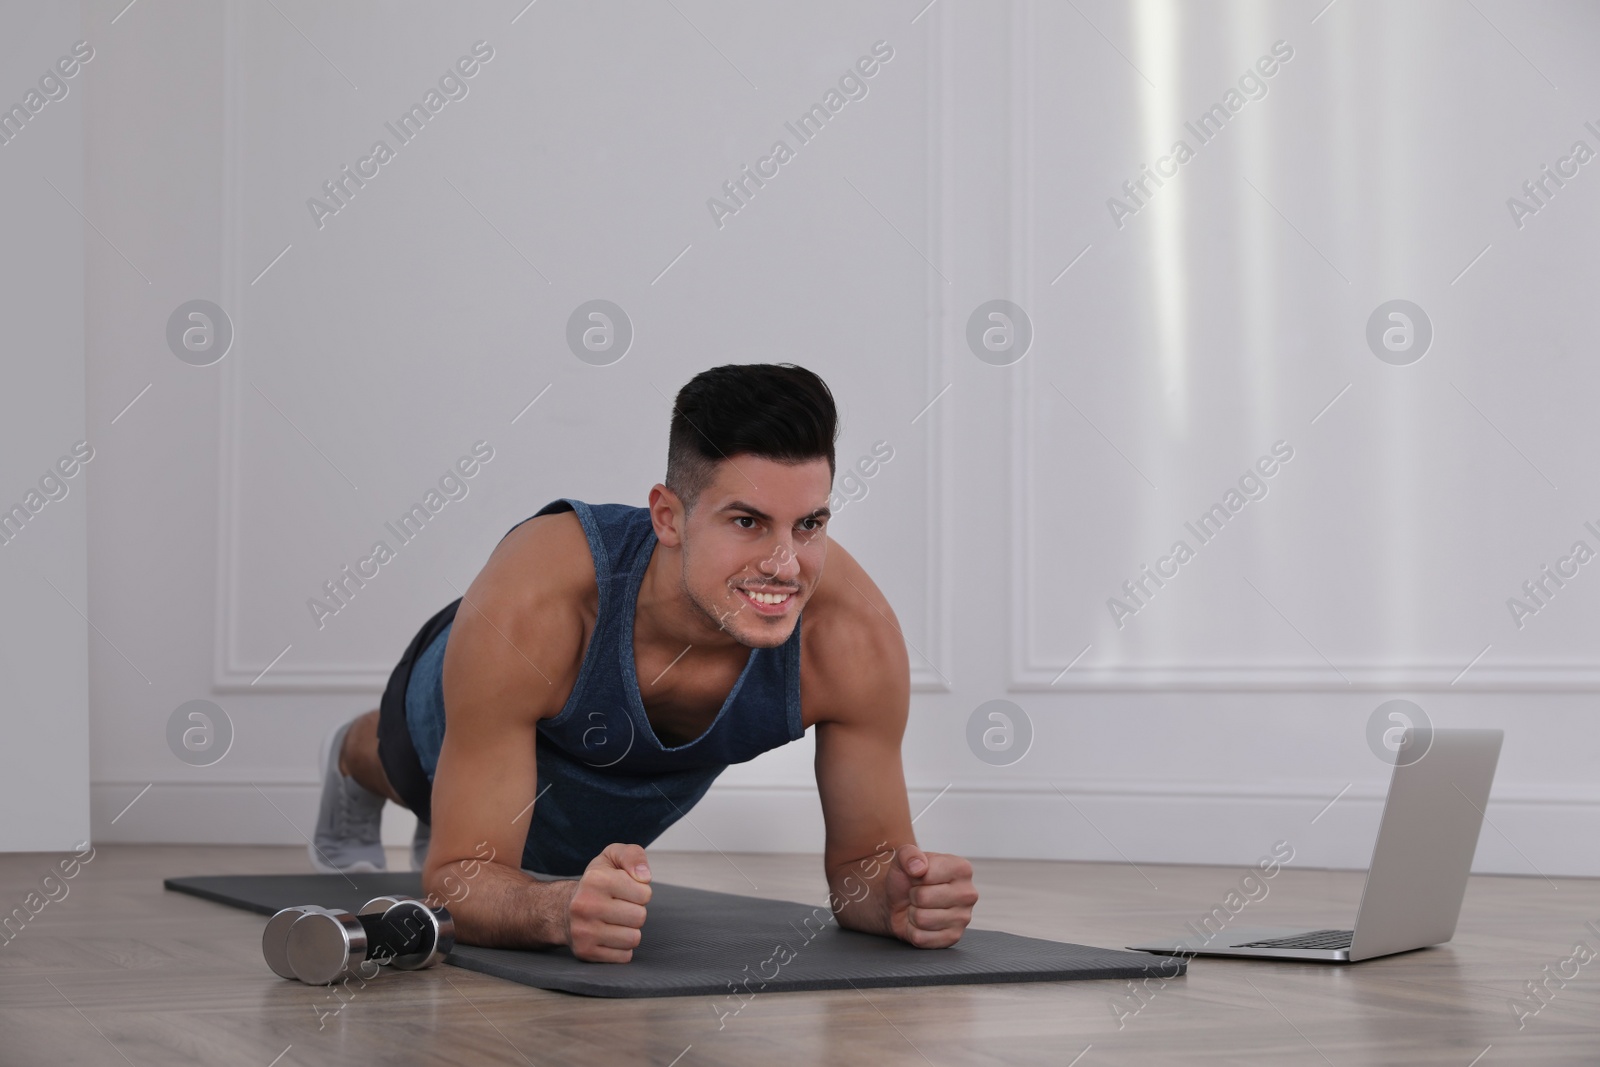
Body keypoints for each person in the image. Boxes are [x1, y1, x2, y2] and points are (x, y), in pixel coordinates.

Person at [310, 362, 978, 961]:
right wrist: (549, 911)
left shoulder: (852, 638)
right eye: (747, 521)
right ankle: (353, 756)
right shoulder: (536, 603)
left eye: (809, 524)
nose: (785, 564)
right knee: (415, 771)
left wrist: (894, 895)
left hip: (631, 782)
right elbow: (456, 878)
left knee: (562, 852)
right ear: (668, 517)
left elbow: (863, 865)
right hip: (468, 697)